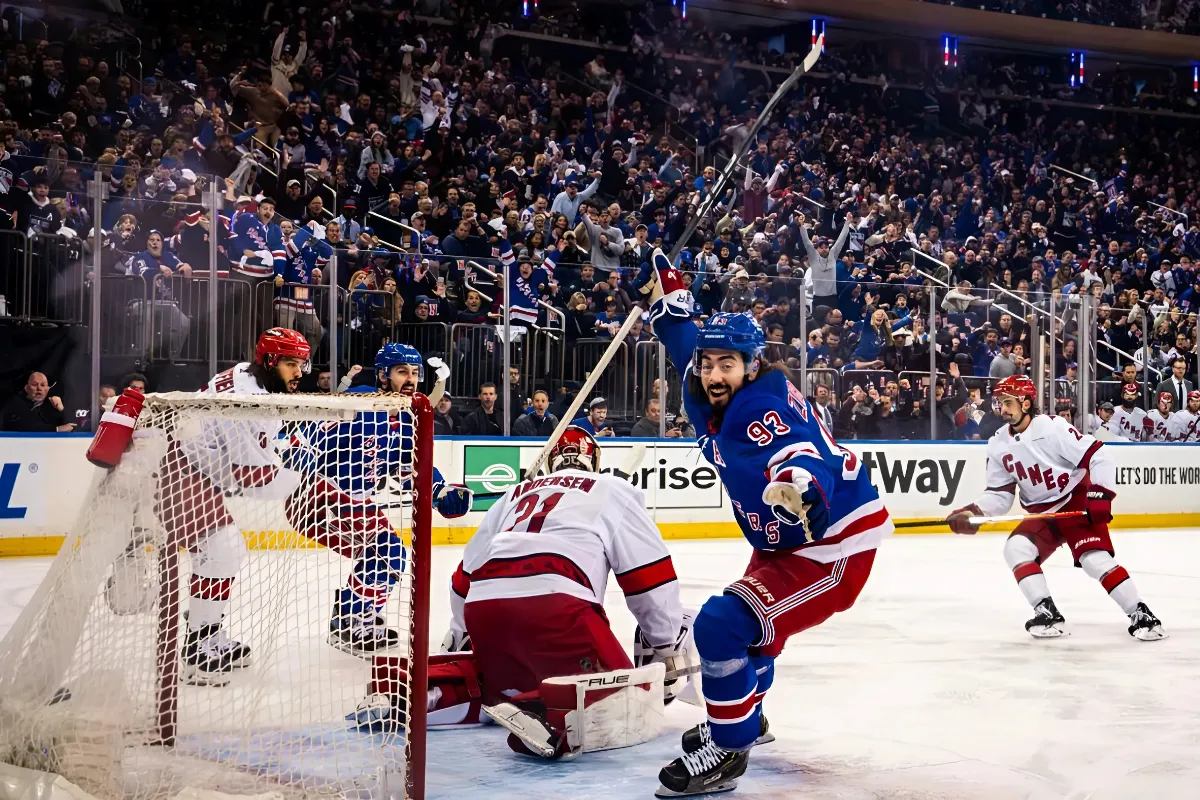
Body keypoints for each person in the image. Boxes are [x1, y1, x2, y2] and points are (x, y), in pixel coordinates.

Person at [635, 250, 891, 796]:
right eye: (709, 364)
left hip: (827, 546)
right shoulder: (709, 379)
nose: (712, 374)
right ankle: (745, 721)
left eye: (726, 364)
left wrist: (801, 487)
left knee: (721, 626)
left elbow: (796, 451)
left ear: (752, 366)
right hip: (782, 538)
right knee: (753, 639)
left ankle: (729, 749)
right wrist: (671, 301)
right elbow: (684, 342)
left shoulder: (758, 408)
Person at [352, 427, 687, 761]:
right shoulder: (616, 489)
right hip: (558, 608)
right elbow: (649, 579)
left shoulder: (513, 493)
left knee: (496, 684)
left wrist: (460, 639)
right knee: (629, 701)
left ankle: (413, 691)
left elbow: (465, 576)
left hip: (485, 610)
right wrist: (665, 644)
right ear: (594, 461)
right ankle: (547, 713)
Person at [946, 375, 1165, 641]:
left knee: (1093, 560)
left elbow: (1098, 454)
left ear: (1026, 403)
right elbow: (1000, 496)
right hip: (1044, 514)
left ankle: (1141, 614)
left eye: (1007, 402)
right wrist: (973, 513)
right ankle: (1046, 612)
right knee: (1016, 548)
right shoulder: (997, 444)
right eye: (999, 402)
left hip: (1075, 501)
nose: (1002, 409)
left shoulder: (1051, 428)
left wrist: (1100, 494)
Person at [287, 343, 471, 654]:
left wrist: (439, 491)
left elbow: (407, 466)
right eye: (403, 372)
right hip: (319, 497)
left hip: (354, 502)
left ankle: (356, 615)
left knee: (389, 554)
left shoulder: (404, 416)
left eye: (415, 373)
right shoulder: (360, 401)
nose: (411, 379)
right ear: (384, 375)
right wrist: (297, 460)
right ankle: (348, 619)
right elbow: (307, 431)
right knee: (388, 551)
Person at [157, 328, 311, 684]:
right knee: (223, 548)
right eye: (291, 364)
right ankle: (197, 651)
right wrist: (300, 476)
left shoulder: (247, 373)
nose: (299, 372)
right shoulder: (248, 403)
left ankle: (206, 635)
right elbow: (251, 478)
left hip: (187, 462)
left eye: (302, 363)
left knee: (221, 552)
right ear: (270, 362)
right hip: (176, 465)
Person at [0, 372, 74, 432]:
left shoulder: (53, 405)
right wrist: (57, 429)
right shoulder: (15, 403)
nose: (39, 388)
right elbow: (25, 426)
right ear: (26, 388)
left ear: (47, 389)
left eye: (43, 385)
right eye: (34, 385)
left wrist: (61, 409)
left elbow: (71, 426)